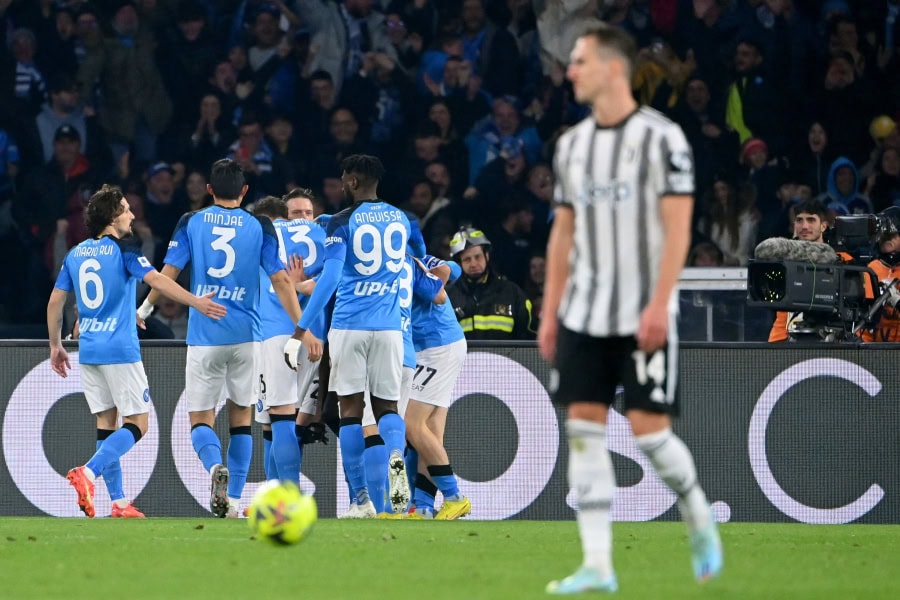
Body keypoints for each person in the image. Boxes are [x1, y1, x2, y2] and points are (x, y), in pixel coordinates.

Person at [538, 25, 722, 594]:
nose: (570, 70)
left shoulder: (663, 138)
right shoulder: (572, 145)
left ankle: (697, 514)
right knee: (584, 431)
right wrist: (550, 313)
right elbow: (562, 235)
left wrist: (660, 303)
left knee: (649, 434)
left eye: (580, 60)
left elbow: (677, 229)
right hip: (584, 313)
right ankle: (598, 565)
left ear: (613, 69)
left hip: (642, 310)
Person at [48, 185, 226, 519]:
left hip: (89, 349)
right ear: (113, 217)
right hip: (119, 349)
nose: (132, 214)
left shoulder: (76, 253)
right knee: (138, 424)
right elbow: (157, 280)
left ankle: (117, 503)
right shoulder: (125, 248)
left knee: (106, 422)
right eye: (127, 209)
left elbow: (56, 301)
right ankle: (87, 472)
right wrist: (196, 301)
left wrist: (56, 345)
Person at [139, 159, 303, 518]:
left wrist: (145, 309)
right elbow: (280, 281)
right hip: (248, 338)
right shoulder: (260, 225)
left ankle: (216, 471)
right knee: (241, 418)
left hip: (204, 336)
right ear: (245, 192)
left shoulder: (190, 222)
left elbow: (168, 274)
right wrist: (301, 327)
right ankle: (234, 498)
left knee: (200, 420)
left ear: (209, 190)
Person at [284, 154, 412, 519]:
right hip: (389, 328)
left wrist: (300, 329)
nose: (341, 182)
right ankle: (395, 456)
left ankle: (360, 500)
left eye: (344, 177)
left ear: (353, 182)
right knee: (388, 408)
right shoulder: (401, 219)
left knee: (351, 411)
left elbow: (331, 279)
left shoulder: (342, 223)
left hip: (350, 326)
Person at [251, 194, 325, 484]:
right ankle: (275, 492)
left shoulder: (263, 235)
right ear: (286, 213)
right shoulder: (322, 232)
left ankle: (288, 495)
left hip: (277, 333)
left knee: (277, 421)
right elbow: (340, 277)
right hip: (316, 338)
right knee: (287, 423)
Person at [405, 255, 470, 520]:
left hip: (438, 346)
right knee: (430, 431)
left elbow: (446, 274)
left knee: (412, 424)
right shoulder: (408, 260)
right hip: (431, 347)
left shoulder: (408, 263)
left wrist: (433, 286)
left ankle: (454, 496)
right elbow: (451, 269)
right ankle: (422, 506)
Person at [446, 226, 535, 339]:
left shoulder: (512, 293)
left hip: (506, 357)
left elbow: (530, 337)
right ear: (459, 263)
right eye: (467, 259)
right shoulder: (447, 297)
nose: (473, 264)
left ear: (487, 256)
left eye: (477, 257)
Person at [768, 199, 829, 343]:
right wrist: (773, 347)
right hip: (789, 342)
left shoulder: (843, 261)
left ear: (823, 226)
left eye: (811, 220)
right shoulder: (784, 262)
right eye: (799, 220)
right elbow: (781, 316)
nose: (805, 226)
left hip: (832, 344)